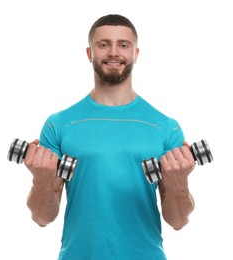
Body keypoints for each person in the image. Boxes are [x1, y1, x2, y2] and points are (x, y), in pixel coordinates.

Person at [24, 14, 195, 260]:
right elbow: (42, 217)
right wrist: (41, 179)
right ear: (89, 53)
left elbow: (178, 221)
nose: (114, 52)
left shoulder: (165, 127)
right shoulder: (60, 124)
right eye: (103, 44)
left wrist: (179, 183)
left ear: (136, 54)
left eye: (123, 45)